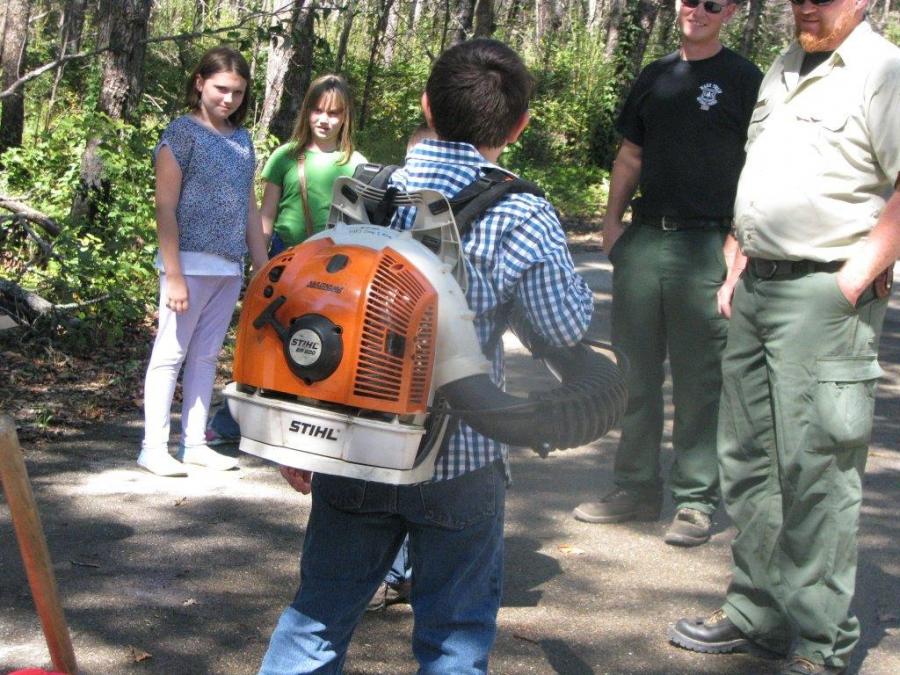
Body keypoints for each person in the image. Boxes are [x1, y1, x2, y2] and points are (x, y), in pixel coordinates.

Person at [259, 38, 593, 673]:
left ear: (427, 107)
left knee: (317, 619)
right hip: (462, 459)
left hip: (353, 450)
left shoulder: (363, 193)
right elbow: (564, 326)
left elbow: (322, 320)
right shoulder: (523, 212)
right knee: (453, 638)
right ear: (519, 126)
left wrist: (295, 439)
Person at [668, 1, 900, 673]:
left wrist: (853, 278)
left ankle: (824, 643)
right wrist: (738, 258)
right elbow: (761, 169)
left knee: (818, 470)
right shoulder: (783, 66)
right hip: (757, 287)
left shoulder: (883, 70)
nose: (806, 3)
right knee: (747, 461)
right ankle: (756, 612)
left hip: (823, 295)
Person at [572, 0, 762, 547]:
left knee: (701, 383)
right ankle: (634, 487)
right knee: (633, 372)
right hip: (645, 240)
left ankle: (696, 500)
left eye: (712, 3)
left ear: (729, 11)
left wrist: (736, 246)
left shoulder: (744, 79)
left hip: (709, 242)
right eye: (688, 0)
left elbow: (759, 169)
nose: (696, 10)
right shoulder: (655, 76)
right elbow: (631, 153)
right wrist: (611, 222)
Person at [206, 74, 367, 444]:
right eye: (318, 110)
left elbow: (361, 225)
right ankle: (231, 423)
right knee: (264, 339)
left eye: (334, 113)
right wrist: (262, 266)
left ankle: (311, 426)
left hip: (334, 267)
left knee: (324, 344)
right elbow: (266, 214)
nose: (325, 120)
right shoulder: (285, 156)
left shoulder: (356, 163)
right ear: (307, 111)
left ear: (345, 118)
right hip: (286, 259)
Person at [137, 46, 268, 477]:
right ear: (199, 83)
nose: (228, 99)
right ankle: (153, 447)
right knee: (170, 353)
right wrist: (173, 274)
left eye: (237, 92)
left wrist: (262, 265)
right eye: (220, 89)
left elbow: (249, 207)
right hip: (187, 265)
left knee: (206, 357)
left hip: (227, 267)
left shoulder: (242, 141)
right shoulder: (181, 133)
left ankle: (194, 442)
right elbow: (165, 207)